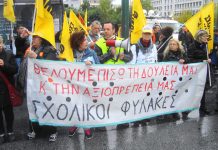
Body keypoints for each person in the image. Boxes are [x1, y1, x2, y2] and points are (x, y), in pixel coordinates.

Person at [25, 32, 59, 142]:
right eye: (32, 37)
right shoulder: (30, 49)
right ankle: (35, 130)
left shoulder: (49, 50)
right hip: (33, 84)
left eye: (36, 37)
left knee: (47, 107)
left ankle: (52, 131)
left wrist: (36, 58)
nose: (33, 39)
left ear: (42, 39)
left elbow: (50, 65)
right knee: (33, 106)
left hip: (46, 85)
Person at [68, 31, 100, 139]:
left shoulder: (92, 53)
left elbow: (99, 69)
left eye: (86, 39)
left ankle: (86, 127)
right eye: (84, 40)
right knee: (74, 106)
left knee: (86, 106)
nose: (87, 41)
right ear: (78, 42)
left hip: (87, 87)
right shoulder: (69, 54)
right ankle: (75, 124)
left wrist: (91, 66)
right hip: (73, 87)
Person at [163, 38, 189, 120]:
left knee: (179, 94)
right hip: (171, 78)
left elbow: (188, 60)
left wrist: (184, 61)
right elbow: (164, 64)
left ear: (178, 45)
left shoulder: (182, 53)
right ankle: (172, 112)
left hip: (181, 78)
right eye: (170, 44)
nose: (172, 46)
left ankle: (181, 111)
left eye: (174, 44)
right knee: (171, 94)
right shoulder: (166, 54)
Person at [187, 30, 211, 117]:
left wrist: (208, 60)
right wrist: (202, 61)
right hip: (195, 72)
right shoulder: (192, 46)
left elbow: (206, 56)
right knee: (193, 89)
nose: (206, 38)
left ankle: (203, 108)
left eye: (206, 36)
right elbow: (189, 60)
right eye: (204, 36)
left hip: (203, 71)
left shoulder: (205, 45)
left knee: (203, 88)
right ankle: (189, 108)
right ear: (199, 37)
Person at [0, 36, 18, 144]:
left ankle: (10, 131)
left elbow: (15, 70)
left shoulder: (9, 54)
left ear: (1, 43)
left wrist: (4, 65)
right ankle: (1, 133)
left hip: (6, 89)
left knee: (8, 113)